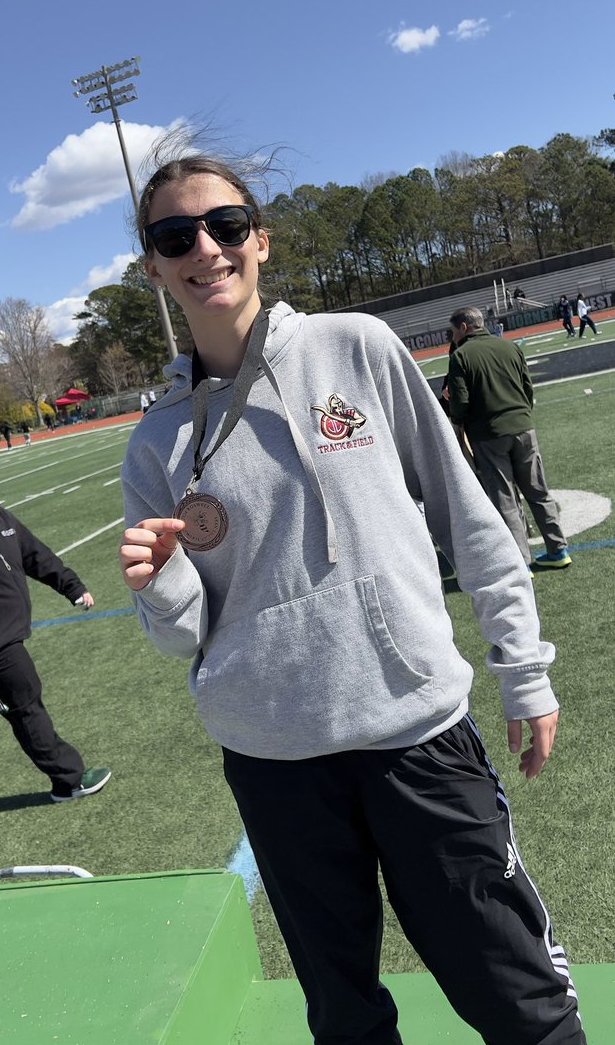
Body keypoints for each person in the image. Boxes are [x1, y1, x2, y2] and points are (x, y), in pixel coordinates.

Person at [119, 152, 584, 1045]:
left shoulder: (355, 348)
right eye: (176, 236)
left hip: (412, 731)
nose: (204, 249)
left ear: (259, 238)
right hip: (273, 760)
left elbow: (471, 517)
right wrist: (164, 583)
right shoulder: (155, 444)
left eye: (223, 226)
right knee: (345, 1019)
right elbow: (182, 639)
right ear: (154, 264)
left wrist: (522, 670)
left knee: (519, 999)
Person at [0, 457, 111, 803]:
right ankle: (69, 780)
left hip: (0, 633)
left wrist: (71, 586)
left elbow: (35, 554)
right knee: (25, 701)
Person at [448, 307, 571, 570]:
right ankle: (559, 549)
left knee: (505, 500)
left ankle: (521, 563)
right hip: (524, 427)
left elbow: (460, 402)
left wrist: (459, 420)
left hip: (489, 434)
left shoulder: (461, 355)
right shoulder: (510, 347)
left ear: (464, 328)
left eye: (454, 330)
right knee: (538, 491)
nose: (453, 336)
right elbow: (527, 387)